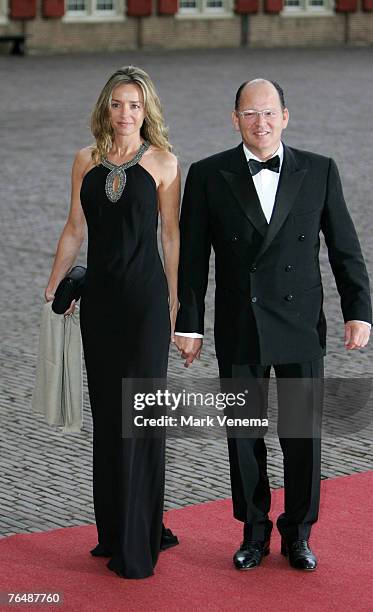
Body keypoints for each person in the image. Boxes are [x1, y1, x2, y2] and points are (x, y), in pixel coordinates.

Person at [174, 79, 371, 571]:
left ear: (286, 116)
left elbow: (344, 248)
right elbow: (193, 260)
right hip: (241, 323)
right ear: (234, 118)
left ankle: (299, 533)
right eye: (249, 114)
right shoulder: (207, 174)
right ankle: (254, 533)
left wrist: (359, 310)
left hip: (301, 324)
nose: (260, 123)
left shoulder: (319, 170)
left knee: (303, 434)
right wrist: (190, 325)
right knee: (243, 437)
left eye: (268, 113)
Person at [45, 66, 180, 579]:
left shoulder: (166, 164)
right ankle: (114, 529)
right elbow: (74, 226)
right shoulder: (86, 160)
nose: (126, 114)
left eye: (136, 106)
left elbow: (171, 237)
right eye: (118, 104)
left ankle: (140, 539)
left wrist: (176, 305)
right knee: (109, 417)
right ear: (106, 107)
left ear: (148, 112)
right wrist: (54, 282)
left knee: (141, 419)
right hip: (99, 304)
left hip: (145, 305)